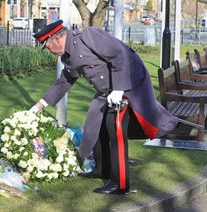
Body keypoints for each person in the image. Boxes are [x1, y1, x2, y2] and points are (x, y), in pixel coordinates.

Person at [30, 20, 178, 195]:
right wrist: (38, 106)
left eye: (47, 46)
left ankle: (120, 184)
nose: (48, 51)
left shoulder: (87, 36)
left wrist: (118, 89)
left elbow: (119, 54)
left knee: (115, 129)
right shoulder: (67, 56)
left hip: (127, 84)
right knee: (96, 125)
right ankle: (103, 169)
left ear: (56, 39)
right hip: (107, 91)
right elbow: (65, 81)